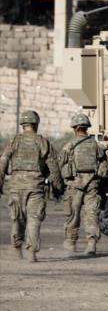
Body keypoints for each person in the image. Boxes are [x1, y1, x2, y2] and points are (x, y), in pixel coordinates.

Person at [0, 110, 63, 262]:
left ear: (23, 124)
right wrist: (58, 188)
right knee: (34, 219)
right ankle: (31, 254)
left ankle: (16, 249)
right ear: (36, 124)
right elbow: (53, 167)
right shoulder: (42, 142)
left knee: (17, 219)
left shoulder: (13, 141)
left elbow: (2, 163)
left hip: (15, 187)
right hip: (35, 187)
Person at [59, 114, 108, 257]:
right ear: (87, 128)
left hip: (74, 184)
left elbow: (60, 164)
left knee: (73, 214)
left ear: (75, 128)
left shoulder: (69, 145)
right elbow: (104, 165)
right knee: (91, 213)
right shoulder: (95, 145)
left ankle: (70, 243)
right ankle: (91, 243)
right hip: (92, 184)